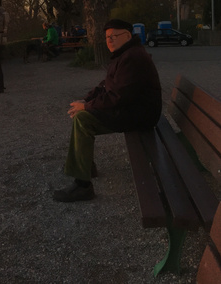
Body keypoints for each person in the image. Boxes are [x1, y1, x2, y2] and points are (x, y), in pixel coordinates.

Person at [52, 19, 162, 202]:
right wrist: (86, 99)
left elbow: (116, 97)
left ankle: (83, 185)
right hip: (134, 110)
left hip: (140, 115)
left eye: (114, 36)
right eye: (107, 37)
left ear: (127, 36)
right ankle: (85, 166)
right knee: (83, 114)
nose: (109, 40)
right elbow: (106, 86)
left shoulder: (132, 57)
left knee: (83, 120)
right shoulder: (125, 54)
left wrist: (86, 106)